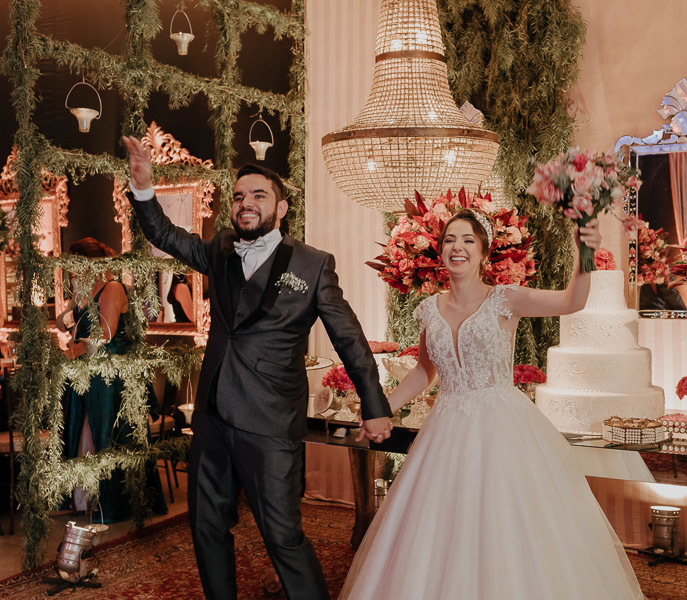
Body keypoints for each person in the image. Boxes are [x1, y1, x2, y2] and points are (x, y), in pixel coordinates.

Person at [122, 136, 393, 600]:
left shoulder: (312, 265)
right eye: (240, 197)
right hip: (212, 419)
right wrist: (144, 188)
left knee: (282, 537)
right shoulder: (221, 248)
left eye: (259, 196)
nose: (246, 203)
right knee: (207, 527)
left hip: (270, 425)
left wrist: (374, 404)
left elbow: (348, 337)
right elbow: (165, 236)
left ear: (282, 207)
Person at [339, 211, 645, 599]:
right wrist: (382, 408)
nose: (458, 247)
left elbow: (572, 301)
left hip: (503, 428)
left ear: (483, 252)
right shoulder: (428, 309)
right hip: (445, 430)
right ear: (440, 250)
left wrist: (585, 253)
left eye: (468, 240)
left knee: (505, 528)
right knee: (440, 530)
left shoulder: (505, 299)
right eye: (450, 239)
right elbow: (422, 371)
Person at [57, 237, 168, 521]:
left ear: (92, 262)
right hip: (87, 371)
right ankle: (84, 498)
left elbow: (105, 334)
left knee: (107, 432)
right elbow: (64, 320)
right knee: (85, 431)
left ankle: (112, 501)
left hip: (111, 376)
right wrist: (69, 313)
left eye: (76, 264)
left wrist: (75, 350)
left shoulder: (113, 287)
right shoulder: (87, 287)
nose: (73, 270)